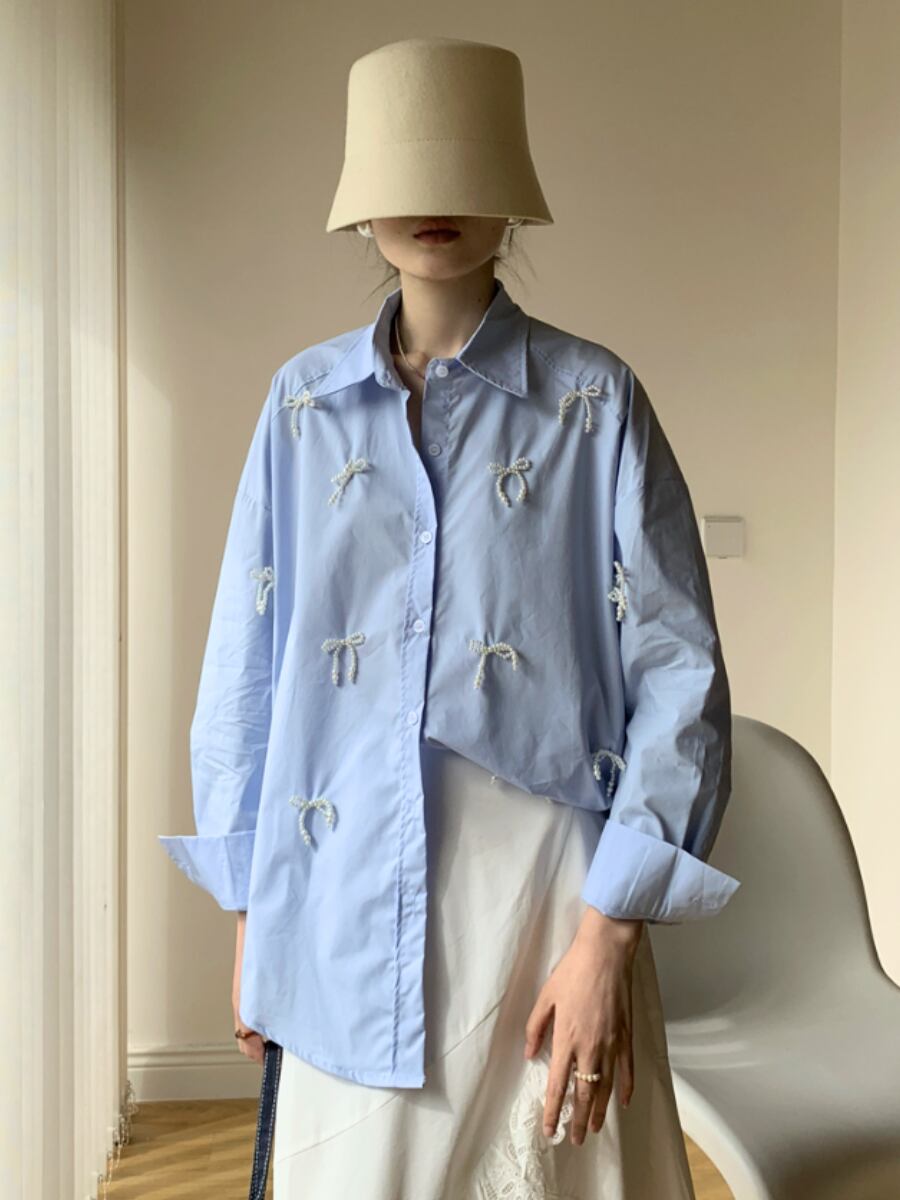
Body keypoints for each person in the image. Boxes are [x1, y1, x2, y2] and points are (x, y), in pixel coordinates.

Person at [158, 36, 741, 1200]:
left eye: (467, 167)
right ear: (359, 201)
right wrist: (256, 914)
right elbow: (248, 665)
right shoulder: (303, 408)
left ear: (511, 194)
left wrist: (607, 938)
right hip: (338, 888)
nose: (437, 203)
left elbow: (678, 669)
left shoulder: (595, 402)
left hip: (545, 901)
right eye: (408, 169)